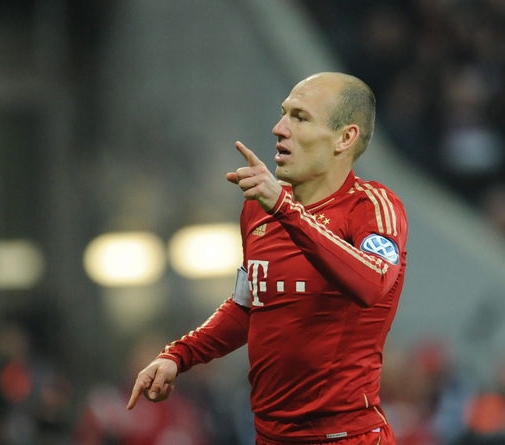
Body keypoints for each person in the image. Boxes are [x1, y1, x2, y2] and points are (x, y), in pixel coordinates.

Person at [127, 72, 408, 444]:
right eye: (283, 113)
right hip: (269, 437)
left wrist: (285, 209)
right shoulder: (259, 210)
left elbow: (372, 283)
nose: (279, 128)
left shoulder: (372, 207)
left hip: (347, 437)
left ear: (345, 138)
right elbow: (247, 305)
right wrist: (177, 356)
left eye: (300, 117)